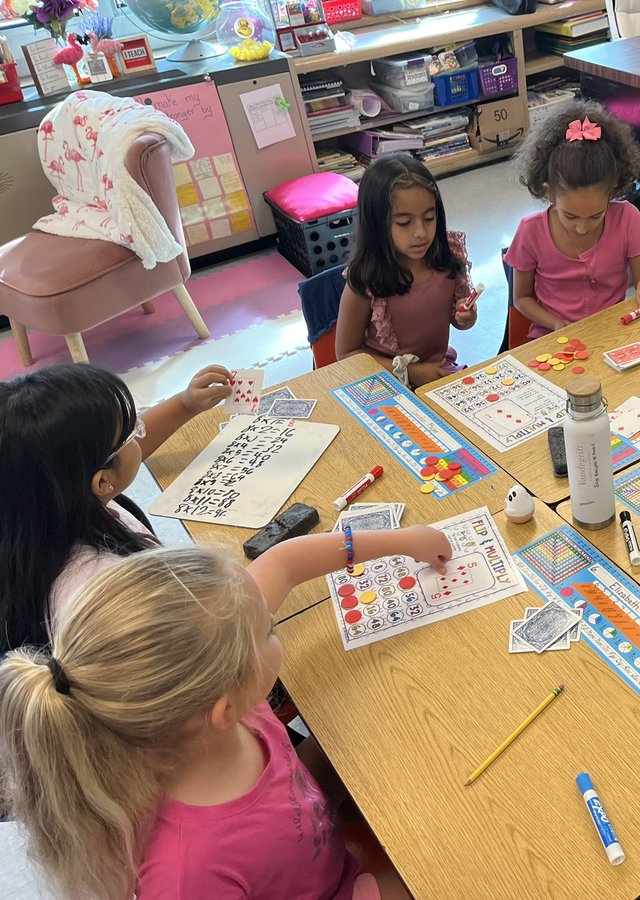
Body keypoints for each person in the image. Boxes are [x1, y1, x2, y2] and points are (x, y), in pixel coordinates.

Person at [0, 524, 452, 900]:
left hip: (318, 833)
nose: (273, 625)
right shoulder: (187, 876)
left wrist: (400, 540)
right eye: (269, 630)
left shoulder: (206, 704)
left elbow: (284, 564)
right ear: (224, 707)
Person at [0, 363, 231, 652]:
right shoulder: (107, 589)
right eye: (133, 432)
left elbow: (113, 459)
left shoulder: (41, 504)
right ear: (102, 482)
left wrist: (186, 404)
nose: (139, 433)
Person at [506, 100, 640, 340]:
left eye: (596, 215)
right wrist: (555, 324)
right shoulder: (531, 231)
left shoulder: (627, 218)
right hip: (552, 335)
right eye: (570, 216)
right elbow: (521, 299)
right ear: (549, 193)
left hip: (612, 331)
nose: (582, 228)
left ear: (613, 190)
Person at [335, 153, 476, 388]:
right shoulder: (365, 280)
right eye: (404, 223)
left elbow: (457, 318)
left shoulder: (448, 257)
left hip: (437, 376)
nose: (421, 233)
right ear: (377, 223)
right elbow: (346, 353)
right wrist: (409, 372)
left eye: (429, 218)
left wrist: (466, 317)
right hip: (383, 383)